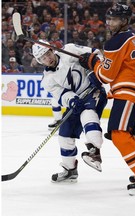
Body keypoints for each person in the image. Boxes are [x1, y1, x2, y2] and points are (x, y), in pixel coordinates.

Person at [79, 3, 135, 196]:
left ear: (124, 21)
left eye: (114, 19)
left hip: (129, 92)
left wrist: (92, 62)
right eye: (109, 19)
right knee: (126, 135)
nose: (109, 23)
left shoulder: (115, 42)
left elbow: (106, 77)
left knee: (118, 134)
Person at [32, 40, 107, 182]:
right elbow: (61, 94)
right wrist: (71, 100)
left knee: (87, 114)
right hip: (77, 101)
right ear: (39, 61)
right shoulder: (47, 80)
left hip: (94, 91)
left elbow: (96, 54)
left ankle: (94, 151)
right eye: (43, 58)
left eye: (48, 53)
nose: (47, 58)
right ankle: (70, 170)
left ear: (52, 50)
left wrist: (96, 72)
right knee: (64, 134)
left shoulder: (69, 50)